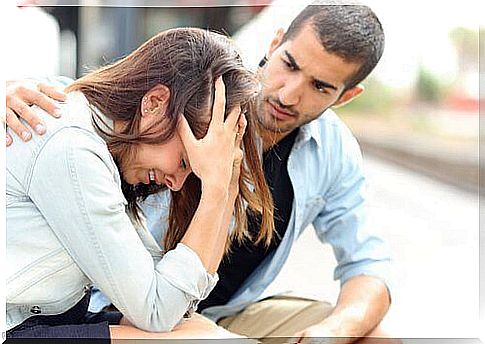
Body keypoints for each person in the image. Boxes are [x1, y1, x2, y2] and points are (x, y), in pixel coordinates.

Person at [5, 3, 398, 343]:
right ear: (276, 42)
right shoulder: (207, 91)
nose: (289, 94)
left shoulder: (334, 151)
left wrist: (336, 329)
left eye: (320, 86)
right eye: (289, 65)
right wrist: (10, 91)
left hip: (219, 308)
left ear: (345, 97)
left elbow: (368, 265)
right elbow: (102, 99)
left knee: (372, 338)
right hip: (121, 304)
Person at [5, 27, 275, 340]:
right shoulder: (72, 149)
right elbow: (155, 311)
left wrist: (226, 182)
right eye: (186, 161)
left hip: (43, 321)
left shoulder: (106, 146)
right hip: (12, 327)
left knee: (201, 330)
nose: (176, 183)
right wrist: (215, 190)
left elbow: (174, 301)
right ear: (155, 103)